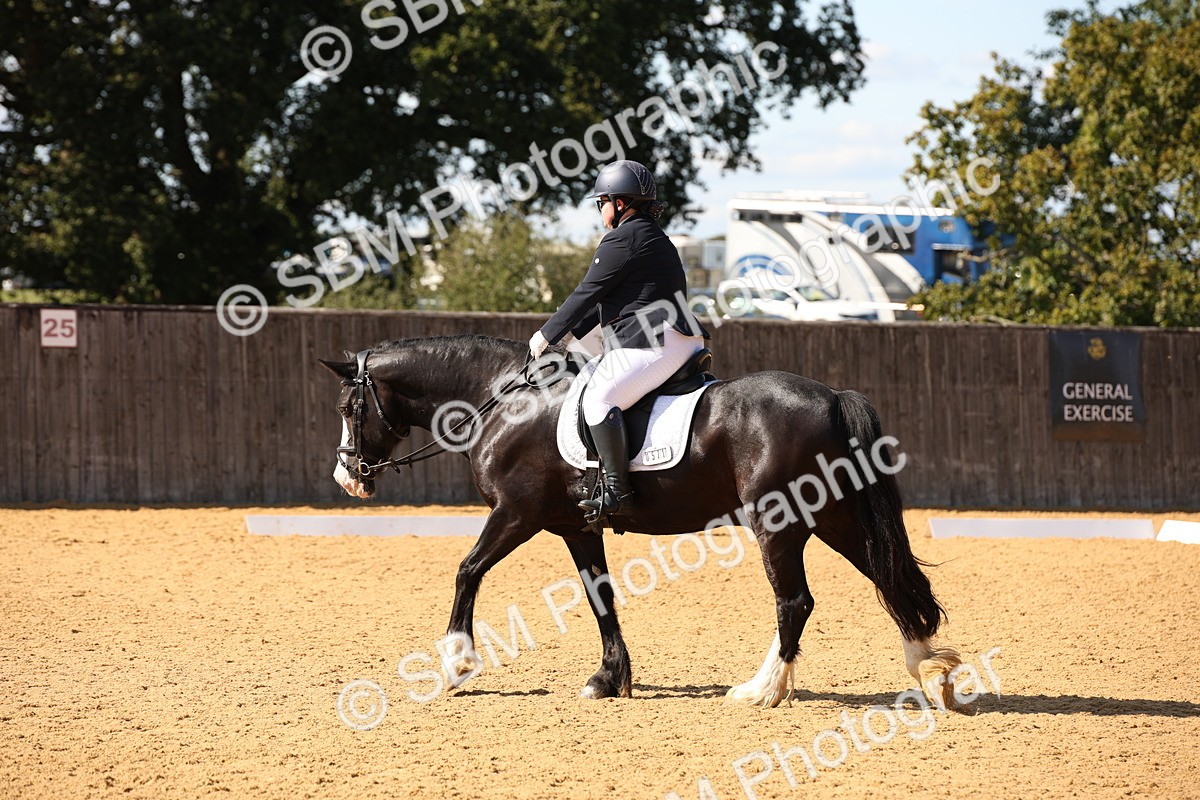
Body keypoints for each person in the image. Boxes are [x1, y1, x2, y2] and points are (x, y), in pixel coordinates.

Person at [528, 160, 709, 516]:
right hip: (676, 337)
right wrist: (570, 340)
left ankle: (617, 492)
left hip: (655, 341)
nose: (600, 211)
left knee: (597, 401)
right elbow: (618, 302)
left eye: (602, 203)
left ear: (620, 203)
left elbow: (587, 292)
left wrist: (546, 334)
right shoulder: (653, 236)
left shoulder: (622, 238)